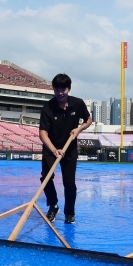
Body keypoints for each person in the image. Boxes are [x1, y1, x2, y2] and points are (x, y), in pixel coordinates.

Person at [39, 73, 92, 224]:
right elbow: (42, 133)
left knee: (69, 183)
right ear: (53, 90)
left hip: (69, 149)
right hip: (51, 148)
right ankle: (53, 205)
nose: (60, 93)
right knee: (46, 178)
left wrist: (79, 129)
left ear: (69, 89)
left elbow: (88, 120)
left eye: (63, 89)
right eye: (57, 90)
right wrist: (54, 150)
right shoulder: (48, 108)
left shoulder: (78, 103)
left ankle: (69, 213)